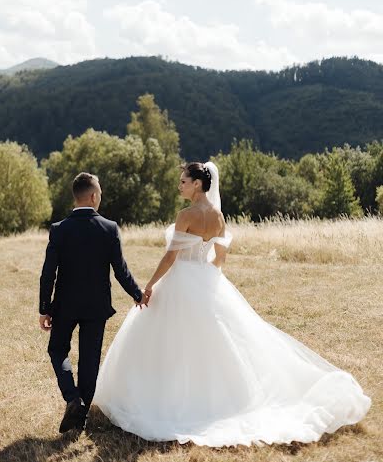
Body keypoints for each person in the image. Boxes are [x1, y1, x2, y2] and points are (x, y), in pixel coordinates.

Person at [93, 162, 371, 447]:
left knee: (171, 339)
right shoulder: (219, 217)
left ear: (198, 184)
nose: (180, 185)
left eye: (184, 181)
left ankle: (166, 395)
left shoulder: (186, 215)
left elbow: (170, 257)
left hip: (181, 279)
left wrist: (149, 284)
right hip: (206, 278)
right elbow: (220, 260)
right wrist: (204, 278)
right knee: (213, 340)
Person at [39, 172, 147, 433]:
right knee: (89, 360)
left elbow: (48, 272)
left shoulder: (59, 229)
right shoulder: (109, 228)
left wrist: (45, 307)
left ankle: (72, 398)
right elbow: (120, 269)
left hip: (64, 305)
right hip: (96, 306)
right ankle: (81, 415)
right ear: (94, 196)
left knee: (57, 351)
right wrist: (137, 293)